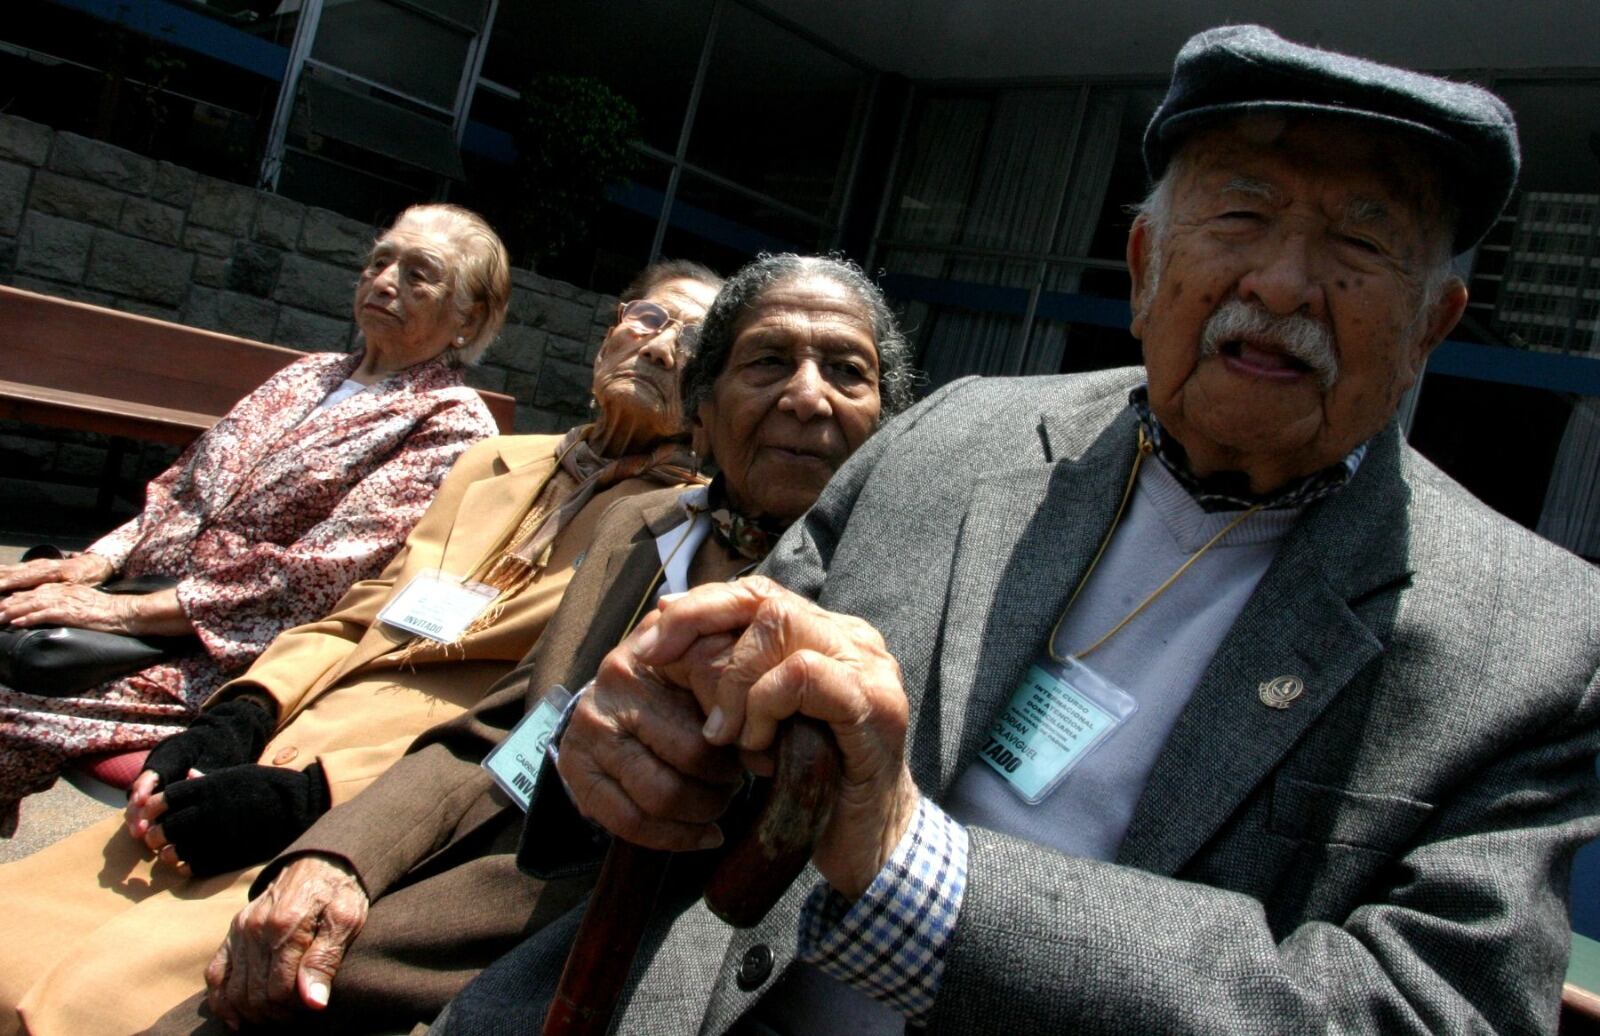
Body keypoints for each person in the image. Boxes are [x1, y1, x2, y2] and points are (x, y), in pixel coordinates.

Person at [441, 26, 1600, 1036]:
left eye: (1360, 241)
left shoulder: (1536, 637)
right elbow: (695, 696)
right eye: (1240, 211)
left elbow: (1425, 1012)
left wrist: (916, 868)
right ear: (1144, 265)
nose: (1286, 282)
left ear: (1434, 320)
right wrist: (623, 742)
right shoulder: (956, 433)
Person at [135, 253, 917, 1035]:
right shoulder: (636, 531)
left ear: (885, 424)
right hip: (448, 897)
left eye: (848, 371)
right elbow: (500, 727)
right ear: (703, 409)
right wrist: (338, 857)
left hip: (602, 965)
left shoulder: (875, 611)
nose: (808, 396)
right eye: (769, 361)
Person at [0, 258, 724, 1036]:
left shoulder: (682, 534)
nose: (658, 348)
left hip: (391, 805)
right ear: (611, 329)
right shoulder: (496, 464)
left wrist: (319, 795)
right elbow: (364, 611)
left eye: (693, 341)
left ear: (715, 396)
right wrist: (242, 710)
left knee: (98, 1003)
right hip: (286, 737)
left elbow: (538, 715)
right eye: (649, 319)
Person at [0, 202, 508, 830]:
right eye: (380, 261)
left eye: (418, 274)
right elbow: (182, 492)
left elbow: (316, 578)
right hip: (132, 603)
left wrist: (120, 610)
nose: (383, 281)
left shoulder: (448, 420)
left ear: (470, 318)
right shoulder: (310, 373)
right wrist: (89, 565)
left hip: (219, 656)